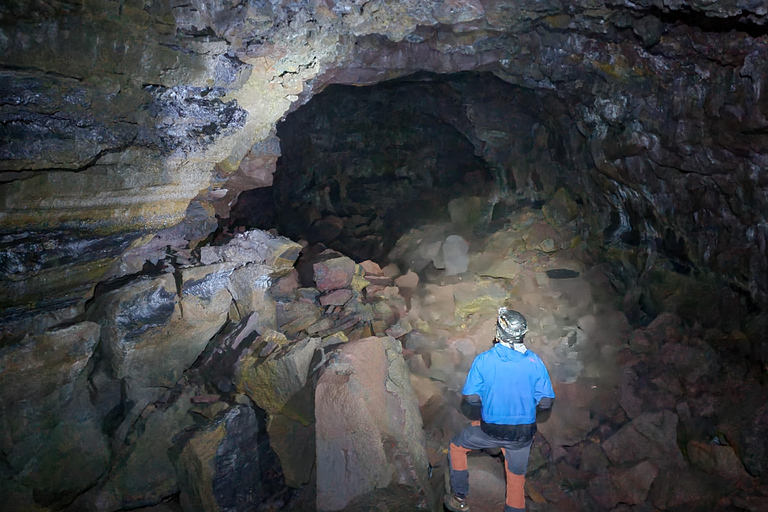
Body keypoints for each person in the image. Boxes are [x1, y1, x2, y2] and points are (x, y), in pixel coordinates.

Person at [445, 308, 555, 512]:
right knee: (516, 481)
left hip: (492, 429)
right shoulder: (535, 362)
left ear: (498, 332)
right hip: (523, 434)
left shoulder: (484, 360)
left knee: (456, 446)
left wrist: (489, 406)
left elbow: (471, 398)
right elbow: (546, 403)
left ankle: (459, 498)